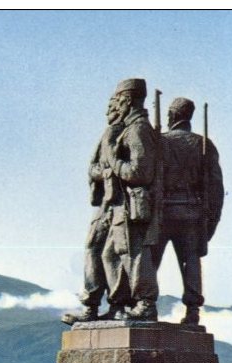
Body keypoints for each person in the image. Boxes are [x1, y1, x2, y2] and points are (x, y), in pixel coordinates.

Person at [154, 97, 224, 325]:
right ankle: (193, 310)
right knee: (191, 262)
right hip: (192, 213)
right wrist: (211, 221)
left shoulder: (160, 142)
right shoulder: (204, 145)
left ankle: (145, 305)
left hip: (163, 211)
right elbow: (216, 189)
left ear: (172, 116)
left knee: (151, 260)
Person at [62, 95, 128, 325]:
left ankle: (117, 305)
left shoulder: (129, 132)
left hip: (123, 202)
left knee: (113, 254)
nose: (108, 112)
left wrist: (110, 172)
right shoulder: (108, 133)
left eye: (112, 107)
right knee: (93, 248)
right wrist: (104, 173)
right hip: (105, 201)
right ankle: (91, 305)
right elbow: (93, 168)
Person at [99, 78, 160, 321]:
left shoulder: (138, 129)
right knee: (111, 255)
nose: (117, 106)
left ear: (127, 100)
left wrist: (113, 161)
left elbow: (139, 172)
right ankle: (119, 305)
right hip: (122, 205)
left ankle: (145, 302)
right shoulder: (129, 128)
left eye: (119, 101)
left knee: (134, 254)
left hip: (132, 205)